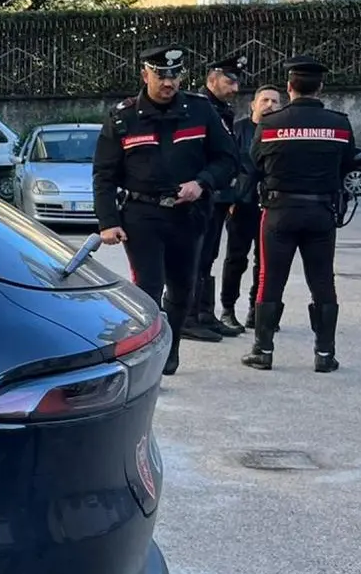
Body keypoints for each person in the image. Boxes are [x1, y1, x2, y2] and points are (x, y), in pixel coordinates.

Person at [94, 44, 236, 375]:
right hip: (143, 216)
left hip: (189, 215)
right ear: (145, 75)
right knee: (147, 288)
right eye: (160, 76)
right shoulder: (123, 117)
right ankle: (147, 353)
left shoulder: (201, 112)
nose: (168, 83)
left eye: (174, 75)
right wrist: (107, 221)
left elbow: (228, 159)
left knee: (183, 286)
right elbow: (103, 174)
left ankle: (170, 351)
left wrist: (202, 182)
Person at [242, 57, 356, 373]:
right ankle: (324, 354)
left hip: (279, 211)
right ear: (320, 87)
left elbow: (255, 164)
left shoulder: (269, 124)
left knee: (270, 280)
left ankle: (263, 350)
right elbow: (347, 164)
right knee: (322, 280)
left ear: (289, 87)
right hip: (320, 211)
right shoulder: (339, 124)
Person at [189, 53, 248, 337]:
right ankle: (188, 316)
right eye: (230, 81)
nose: (235, 89)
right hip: (202, 192)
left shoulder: (219, 108)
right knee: (196, 254)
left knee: (209, 254)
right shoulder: (200, 107)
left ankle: (203, 312)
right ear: (211, 79)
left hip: (219, 194)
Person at [220, 85, 284, 334]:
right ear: (253, 105)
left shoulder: (282, 132)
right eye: (265, 100)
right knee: (236, 259)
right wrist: (232, 198)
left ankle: (257, 311)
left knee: (266, 262)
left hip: (272, 206)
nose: (270, 105)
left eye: (275, 101)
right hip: (242, 205)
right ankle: (227, 309)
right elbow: (227, 165)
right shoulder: (237, 130)